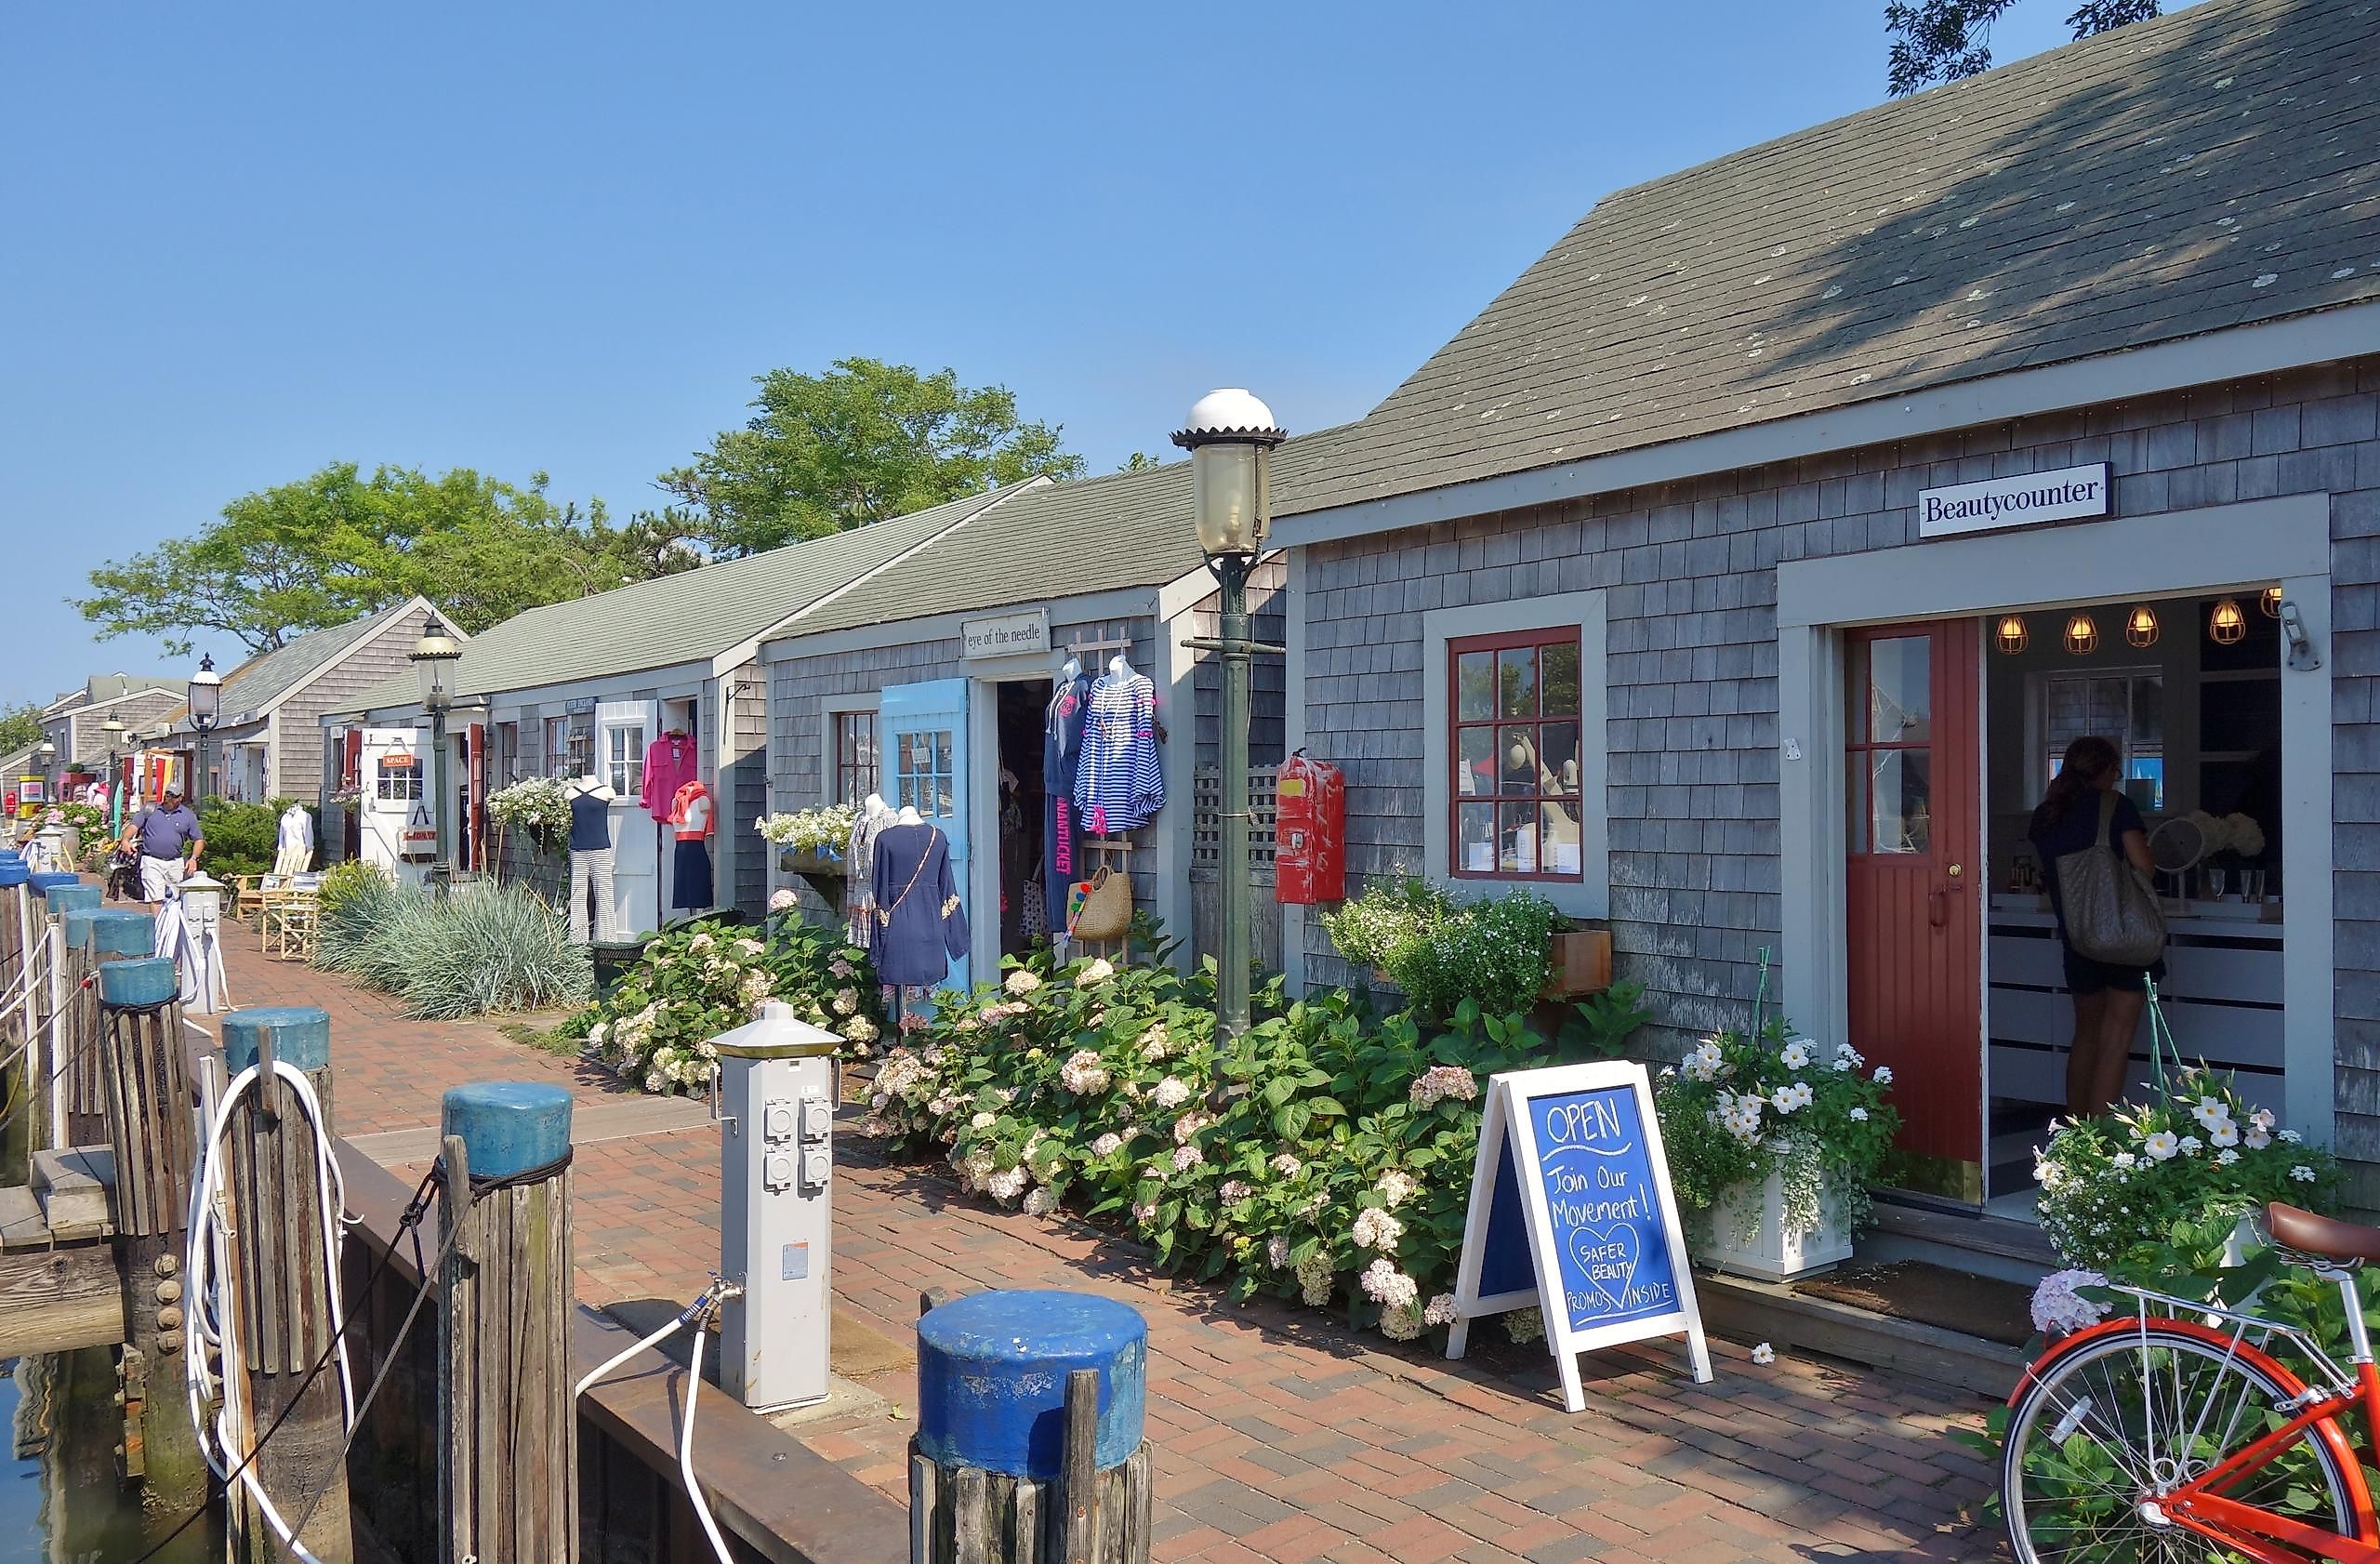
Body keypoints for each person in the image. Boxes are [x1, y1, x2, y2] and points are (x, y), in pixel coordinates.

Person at [2029, 736, 2162, 1118]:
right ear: (2104, 770)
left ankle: (2075, 1130)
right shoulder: (2116, 807)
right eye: (2115, 771)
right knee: (2116, 1038)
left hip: (2078, 939)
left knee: (2085, 1034)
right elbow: (2144, 867)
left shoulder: (2046, 814)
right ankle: (2101, 1139)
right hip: (2123, 938)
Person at [121, 787, 205, 905]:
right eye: (167, 795)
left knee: (176, 899)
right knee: (155, 898)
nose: (169, 798)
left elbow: (199, 839)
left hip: (175, 861)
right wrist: (125, 840)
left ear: (180, 798)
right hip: (152, 860)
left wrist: (193, 858)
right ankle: (157, 923)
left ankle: (172, 923)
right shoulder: (150, 810)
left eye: (173, 796)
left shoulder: (188, 816)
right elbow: (134, 826)